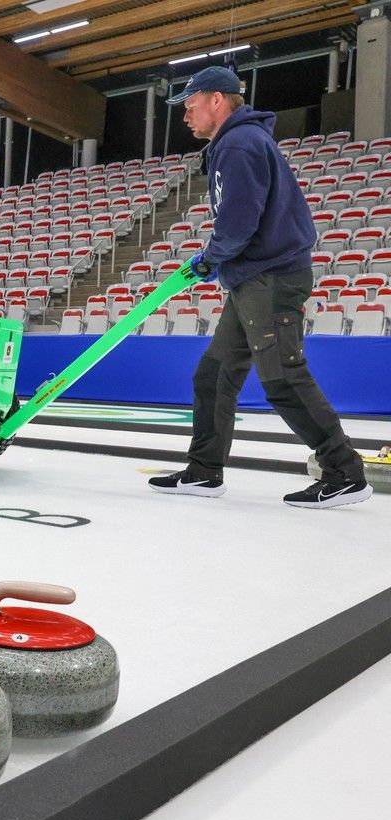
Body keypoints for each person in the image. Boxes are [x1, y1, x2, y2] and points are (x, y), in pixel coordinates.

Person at [149, 66, 371, 509]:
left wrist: (210, 258)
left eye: (191, 106)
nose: (186, 116)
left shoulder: (239, 144)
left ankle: (345, 472)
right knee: (214, 375)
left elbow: (239, 223)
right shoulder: (234, 143)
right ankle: (204, 470)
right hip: (251, 279)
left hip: (270, 278)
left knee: (283, 376)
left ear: (216, 100)